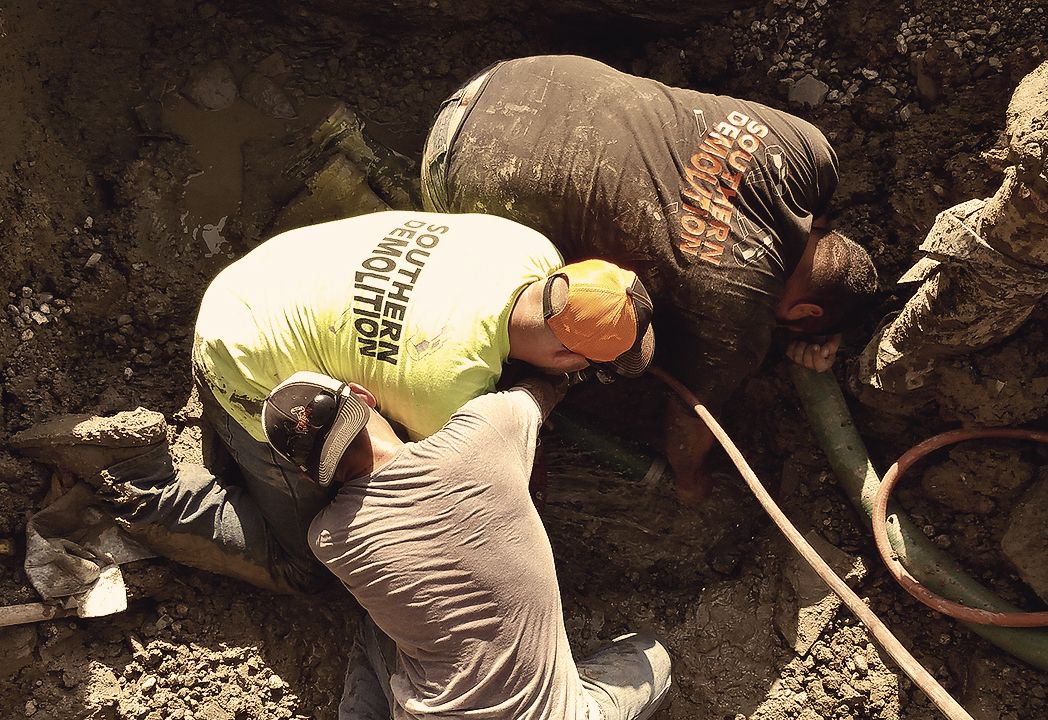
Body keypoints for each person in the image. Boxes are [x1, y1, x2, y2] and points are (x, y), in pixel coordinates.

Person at [16, 210, 655, 594]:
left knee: (282, 433)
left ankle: (224, 443)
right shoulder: (444, 391)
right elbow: (430, 488)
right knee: (309, 567)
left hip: (260, 284)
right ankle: (136, 479)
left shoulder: (524, 246)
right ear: (568, 358)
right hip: (246, 355)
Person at [421, 55, 879, 503]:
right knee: (573, 327)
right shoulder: (735, 313)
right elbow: (693, 414)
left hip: (518, 79)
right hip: (461, 169)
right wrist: (689, 480)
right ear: (803, 312)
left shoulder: (808, 149)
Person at [260, 370, 671, 720]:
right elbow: (543, 390)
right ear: (361, 396)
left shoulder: (330, 540)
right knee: (652, 655)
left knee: (378, 629)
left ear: (312, 473)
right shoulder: (484, 431)